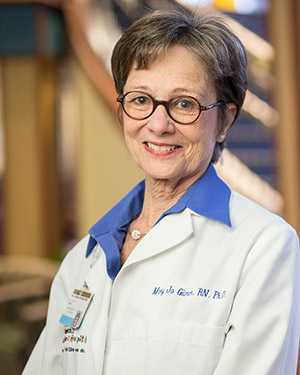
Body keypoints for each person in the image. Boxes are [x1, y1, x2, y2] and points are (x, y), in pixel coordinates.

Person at [22, 9, 300, 375]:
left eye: (184, 103)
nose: (158, 123)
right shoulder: (84, 259)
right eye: (140, 100)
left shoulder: (263, 246)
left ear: (225, 120)